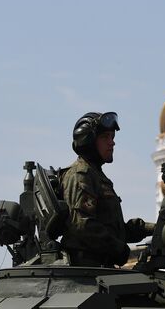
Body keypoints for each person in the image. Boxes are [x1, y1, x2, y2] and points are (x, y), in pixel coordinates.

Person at [61, 112, 149, 267]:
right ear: (88, 141)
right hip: (87, 269)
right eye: (105, 137)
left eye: (112, 137)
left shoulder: (96, 175)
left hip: (100, 267)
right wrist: (119, 249)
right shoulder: (81, 174)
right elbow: (83, 225)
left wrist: (158, 228)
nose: (112, 143)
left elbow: (115, 229)